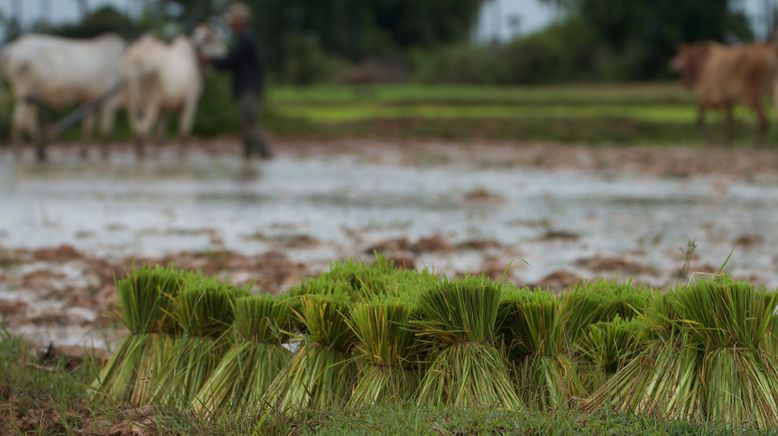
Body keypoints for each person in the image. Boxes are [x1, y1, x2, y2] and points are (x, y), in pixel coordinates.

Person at [208, 2, 272, 159]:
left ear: (241, 21)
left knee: (250, 123)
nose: (230, 24)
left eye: (232, 20)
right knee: (248, 124)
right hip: (248, 87)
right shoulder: (245, 38)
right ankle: (251, 157)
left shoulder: (245, 39)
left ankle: (263, 156)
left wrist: (210, 61)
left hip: (248, 89)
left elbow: (231, 61)